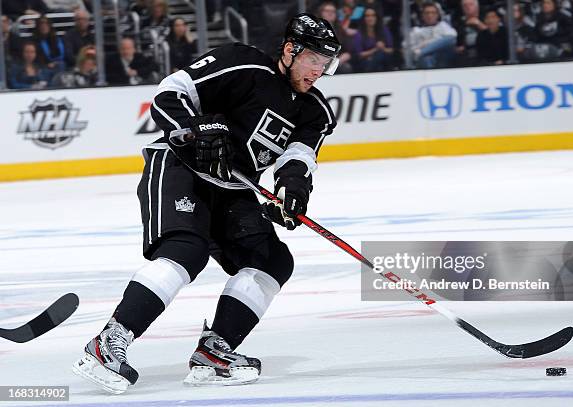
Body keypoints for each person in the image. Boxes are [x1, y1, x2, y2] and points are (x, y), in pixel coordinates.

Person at [72, 13, 341, 393]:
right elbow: (169, 94)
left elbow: (298, 157)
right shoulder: (243, 63)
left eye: (326, 62)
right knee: (186, 251)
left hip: (233, 188)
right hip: (180, 166)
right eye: (314, 58)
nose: (319, 69)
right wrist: (197, 129)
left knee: (272, 260)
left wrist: (292, 191)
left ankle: (216, 352)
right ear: (289, 50)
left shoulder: (315, 111)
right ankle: (108, 343)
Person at [409, 1, 457, 68]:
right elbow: (409, 49)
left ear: (437, 15)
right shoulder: (416, 30)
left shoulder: (443, 25)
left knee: (450, 39)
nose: (430, 15)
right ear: (422, 15)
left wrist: (426, 45)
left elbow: (452, 38)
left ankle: (422, 52)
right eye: (427, 13)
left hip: (442, 57)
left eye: (433, 13)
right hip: (425, 60)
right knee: (426, 58)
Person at [353, 7, 394, 72]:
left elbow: (391, 50)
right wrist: (376, 49)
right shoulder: (359, 34)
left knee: (382, 56)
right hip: (366, 63)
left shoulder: (384, 30)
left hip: (383, 60)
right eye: (367, 16)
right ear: (364, 18)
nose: (370, 18)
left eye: (373, 15)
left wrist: (382, 48)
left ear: (376, 17)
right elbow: (359, 54)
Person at [317, 1, 354, 73]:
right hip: (318, 61)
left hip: (336, 62)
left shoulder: (340, 30)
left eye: (333, 11)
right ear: (321, 13)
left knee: (347, 67)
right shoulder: (315, 29)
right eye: (327, 11)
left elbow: (348, 50)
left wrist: (342, 58)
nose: (330, 13)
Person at [453, 0, 486, 66]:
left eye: (471, 4)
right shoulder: (459, 22)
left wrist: (479, 24)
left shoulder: (485, 17)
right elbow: (457, 42)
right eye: (465, 5)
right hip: (465, 55)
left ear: (477, 6)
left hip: (484, 53)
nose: (468, 7)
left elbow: (493, 34)